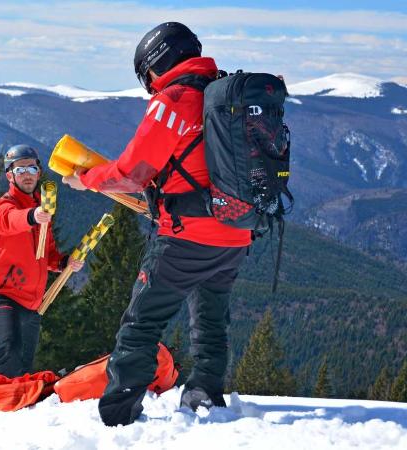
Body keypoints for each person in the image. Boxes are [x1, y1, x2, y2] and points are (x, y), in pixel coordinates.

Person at [62, 22, 250, 426]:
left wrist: (87, 180)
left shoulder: (175, 98)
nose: (148, 85)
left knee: (141, 322)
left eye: (146, 75)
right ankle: (204, 392)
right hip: (237, 231)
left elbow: (132, 172)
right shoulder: (226, 93)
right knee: (212, 319)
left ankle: (118, 414)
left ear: (156, 63)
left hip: (186, 234)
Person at [0, 144, 84, 377]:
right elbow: (10, 220)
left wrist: (65, 263)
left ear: (39, 173)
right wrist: (32, 216)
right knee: (10, 351)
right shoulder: (1, 207)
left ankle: (14, 406)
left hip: (30, 304)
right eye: (20, 170)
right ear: (10, 176)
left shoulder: (43, 214)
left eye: (32, 169)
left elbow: (47, 254)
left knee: (23, 368)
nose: (27, 174)